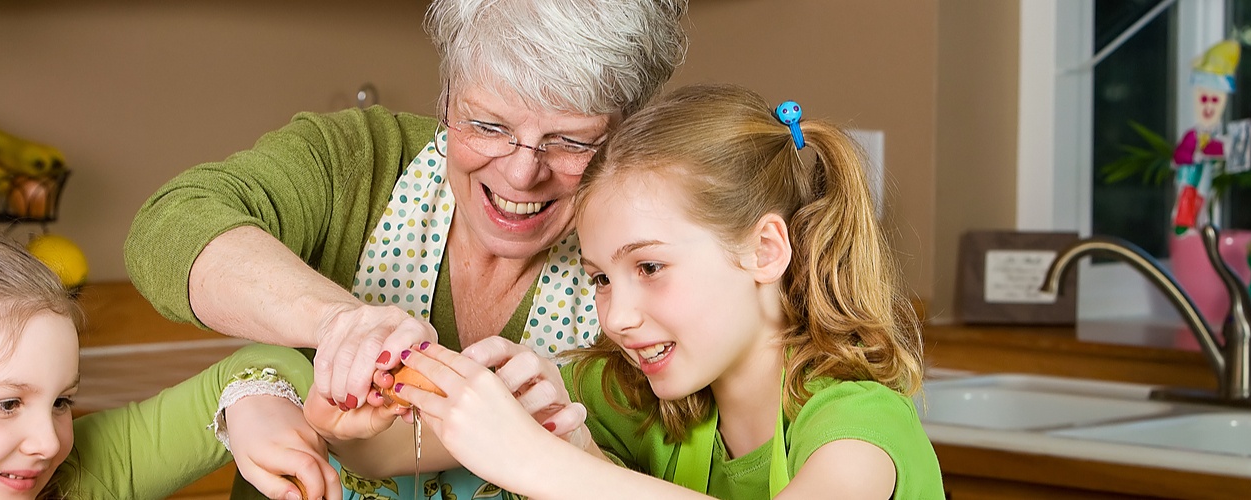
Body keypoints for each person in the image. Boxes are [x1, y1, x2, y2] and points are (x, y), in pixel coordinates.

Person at [123, 0, 688, 497]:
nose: (521, 173)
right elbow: (171, 225)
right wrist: (341, 324)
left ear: (627, 134)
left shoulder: (651, 267)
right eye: (488, 126)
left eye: (570, 141)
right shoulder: (358, 160)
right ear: (445, 100)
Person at [389, 83, 947, 499]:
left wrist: (535, 459)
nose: (618, 318)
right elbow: (384, 452)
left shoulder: (860, 424)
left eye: (650, 267)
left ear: (766, 250)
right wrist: (324, 412)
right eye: (601, 279)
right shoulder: (628, 391)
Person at [0, 219, 334, 500]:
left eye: (61, 401)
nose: (50, 441)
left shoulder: (82, 476)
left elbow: (264, 363)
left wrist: (254, 403)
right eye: (7, 403)